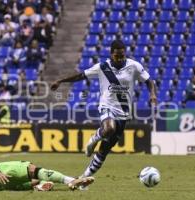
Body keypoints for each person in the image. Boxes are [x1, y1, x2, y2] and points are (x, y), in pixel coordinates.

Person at [51, 40, 157, 183]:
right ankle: (93, 139)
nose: (120, 59)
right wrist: (60, 81)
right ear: (111, 54)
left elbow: (149, 81)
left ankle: (82, 179)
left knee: (103, 151)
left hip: (124, 113)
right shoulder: (102, 67)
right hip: (107, 106)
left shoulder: (134, 66)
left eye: (122, 56)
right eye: (117, 56)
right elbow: (81, 75)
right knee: (109, 128)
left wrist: (152, 94)